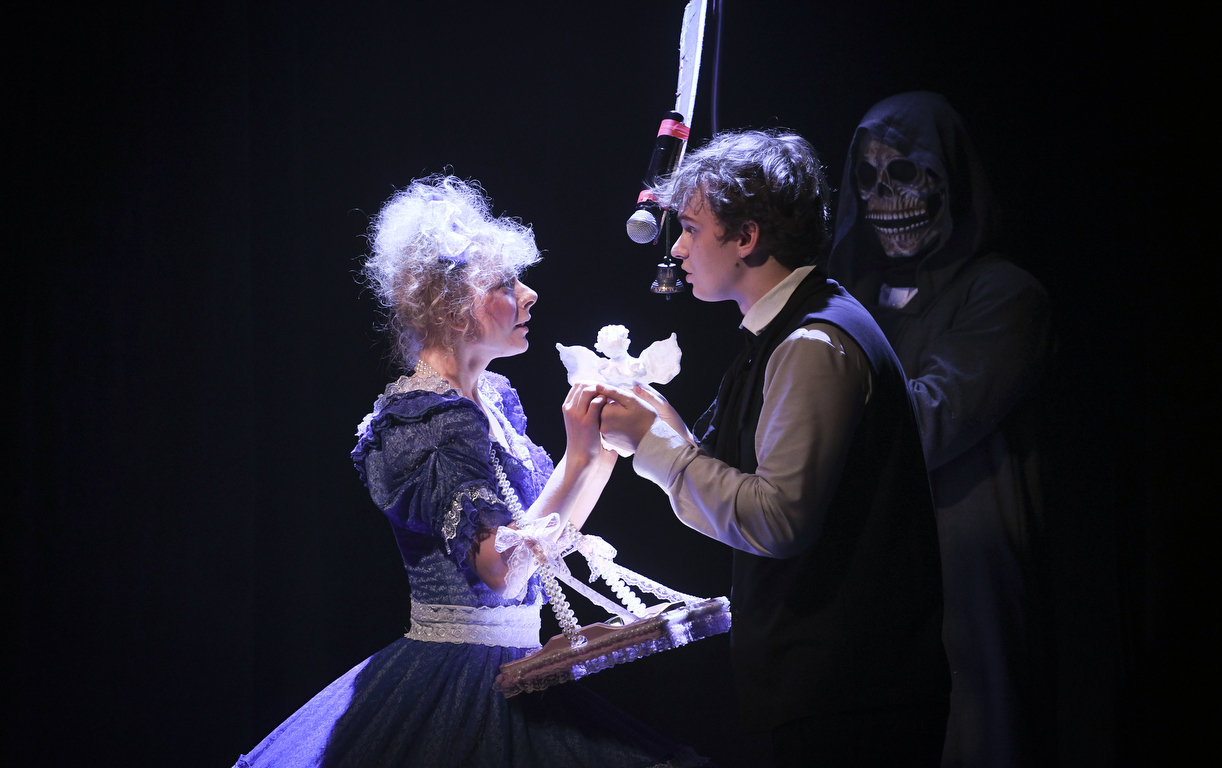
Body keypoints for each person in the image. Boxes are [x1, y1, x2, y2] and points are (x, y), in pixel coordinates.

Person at [233, 176, 704, 768]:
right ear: (451, 307)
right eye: (505, 284)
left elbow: (543, 540)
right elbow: (501, 572)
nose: (529, 294)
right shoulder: (424, 418)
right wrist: (581, 456)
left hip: (520, 661)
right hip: (455, 679)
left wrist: (600, 453)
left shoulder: (495, 399)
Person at [596, 130, 950, 767]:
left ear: (747, 237)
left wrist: (652, 446)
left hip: (848, 701)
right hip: (823, 689)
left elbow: (774, 519)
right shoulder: (782, 332)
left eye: (692, 229)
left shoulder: (812, 344)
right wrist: (658, 425)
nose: (676, 248)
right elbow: (732, 472)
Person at [826, 92, 1055, 768]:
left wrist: (807, 424)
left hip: (964, 573)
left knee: (975, 733)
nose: (883, 195)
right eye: (868, 178)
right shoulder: (857, 300)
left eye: (903, 172)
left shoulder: (1005, 295)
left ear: (946, 178)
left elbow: (931, 418)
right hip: (872, 570)